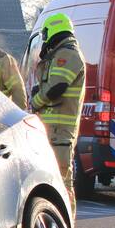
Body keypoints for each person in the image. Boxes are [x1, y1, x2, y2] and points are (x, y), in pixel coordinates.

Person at [30, 13, 86, 216]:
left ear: (53, 30)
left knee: (63, 184)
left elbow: (57, 87)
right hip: (52, 133)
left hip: (60, 134)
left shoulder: (67, 55)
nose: (45, 39)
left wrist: (35, 102)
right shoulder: (60, 54)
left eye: (46, 34)